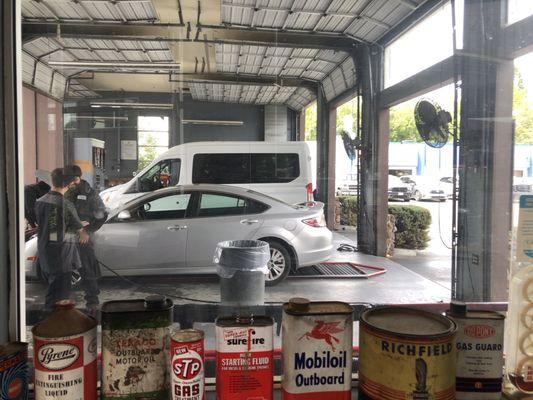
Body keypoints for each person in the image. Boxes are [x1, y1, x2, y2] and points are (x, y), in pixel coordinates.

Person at [35, 167, 89, 310]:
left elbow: (50, 227)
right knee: (59, 297)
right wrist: (79, 230)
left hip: (45, 253)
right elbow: (57, 234)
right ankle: (53, 325)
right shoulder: (65, 204)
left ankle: (51, 323)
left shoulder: (40, 201)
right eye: (73, 182)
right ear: (69, 184)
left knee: (53, 292)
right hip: (61, 258)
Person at [64, 164, 108, 311]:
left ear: (80, 177)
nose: (73, 183)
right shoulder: (64, 192)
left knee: (88, 270)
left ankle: (92, 302)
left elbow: (102, 215)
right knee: (62, 272)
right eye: (70, 180)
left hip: (83, 240)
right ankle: (63, 306)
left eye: (75, 179)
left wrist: (86, 231)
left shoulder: (89, 193)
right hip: (66, 238)